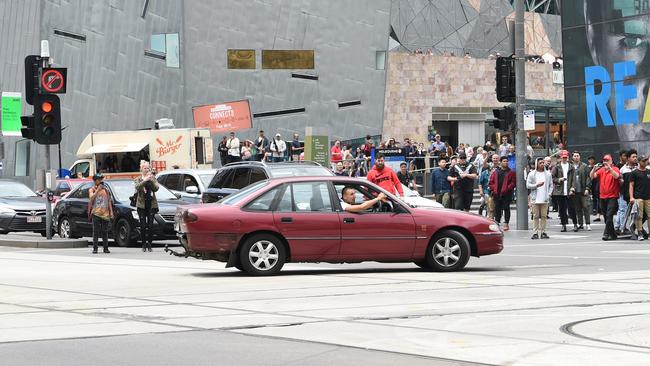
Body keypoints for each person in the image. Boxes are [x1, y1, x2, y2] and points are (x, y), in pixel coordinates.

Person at [590, 154, 621, 241]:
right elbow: (592, 176)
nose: (605, 162)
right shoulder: (601, 170)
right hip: (602, 196)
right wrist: (593, 169)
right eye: (604, 161)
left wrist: (610, 168)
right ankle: (613, 234)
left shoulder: (615, 169)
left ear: (611, 161)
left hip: (612, 196)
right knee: (606, 217)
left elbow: (617, 176)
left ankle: (606, 233)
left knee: (609, 215)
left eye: (607, 160)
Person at [134, 161, 159, 252]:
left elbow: (156, 188)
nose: (147, 170)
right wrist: (145, 180)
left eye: (148, 168)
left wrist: (151, 180)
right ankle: (143, 244)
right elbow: (137, 187)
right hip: (141, 205)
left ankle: (150, 244)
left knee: (150, 225)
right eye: (145, 168)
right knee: (143, 225)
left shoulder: (152, 178)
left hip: (151, 204)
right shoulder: (138, 179)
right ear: (141, 169)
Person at [552, 150, 577, 232]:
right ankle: (563, 225)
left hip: (569, 190)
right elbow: (552, 178)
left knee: (572, 209)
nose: (565, 159)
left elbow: (574, 179)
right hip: (560, 191)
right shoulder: (557, 166)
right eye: (563, 157)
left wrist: (573, 188)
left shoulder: (571, 167)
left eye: (566, 157)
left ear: (568, 157)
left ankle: (575, 224)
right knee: (562, 209)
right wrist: (559, 179)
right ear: (561, 157)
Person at [527, 158, 553, 239]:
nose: (542, 164)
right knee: (535, 216)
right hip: (535, 198)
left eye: (543, 162)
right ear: (536, 164)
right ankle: (535, 232)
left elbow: (551, 185)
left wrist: (549, 194)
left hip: (545, 198)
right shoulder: (532, 174)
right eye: (540, 163)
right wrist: (536, 185)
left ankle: (543, 232)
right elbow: (527, 185)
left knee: (544, 216)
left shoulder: (548, 174)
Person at [489, 156, 516, 231]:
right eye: (504, 161)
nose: (506, 162)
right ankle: (497, 222)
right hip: (496, 193)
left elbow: (513, 183)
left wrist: (508, 188)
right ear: (500, 162)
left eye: (507, 161)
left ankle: (506, 223)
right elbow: (491, 182)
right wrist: (493, 189)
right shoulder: (496, 172)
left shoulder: (511, 172)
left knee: (506, 208)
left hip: (507, 194)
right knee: (497, 209)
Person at [88, 173, 113, 254]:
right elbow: (91, 198)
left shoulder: (106, 189)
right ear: (95, 181)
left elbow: (109, 201)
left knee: (105, 231)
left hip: (105, 214)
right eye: (99, 179)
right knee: (95, 231)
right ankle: (95, 248)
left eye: (101, 179)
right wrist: (98, 190)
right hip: (96, 213)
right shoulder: (92, 189)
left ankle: (106, 248)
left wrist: (111, 212)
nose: (101, 181)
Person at [570, 151, 592, 231]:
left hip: (583, 190)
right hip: (575, 191)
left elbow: (588, 178)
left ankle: (588, 224)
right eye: (574, 156)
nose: (576, 157)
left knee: (586, 207)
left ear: (580, 157)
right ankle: (580, 224)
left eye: (577, 156)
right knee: (578, 208)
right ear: (572, 157)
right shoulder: (571, 166)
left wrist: (587, 188)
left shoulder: (584, 166)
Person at [629, 155, 650, 241]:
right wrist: (631, 197)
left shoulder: (649, 171)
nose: (645, 162)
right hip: (638, 198)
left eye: (646, 160)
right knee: (639, 217)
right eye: (643, 161)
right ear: (639, 162)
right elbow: (631, 185)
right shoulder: (634, 172)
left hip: (648, 197)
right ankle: (640, 233)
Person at [616, 149, 637, 234]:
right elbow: (619, 181)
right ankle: (621, 228)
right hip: (624, 193)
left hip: (636, 194)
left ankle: (635, 228)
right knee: (623, 210)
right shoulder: (622, 169)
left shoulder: (638, 167)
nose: (635, 158)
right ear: (628, 158)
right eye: (633, 157)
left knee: (636, 213)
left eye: (636, 156)